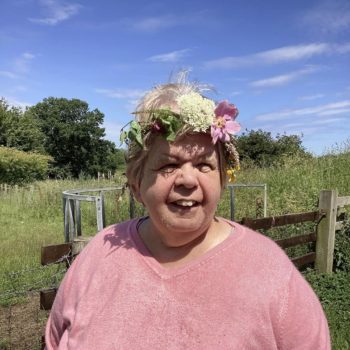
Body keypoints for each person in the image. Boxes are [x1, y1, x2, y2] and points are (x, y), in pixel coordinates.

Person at [45, 77, 331, 349]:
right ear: (136, 185)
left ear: (221, 181)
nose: (188, 180)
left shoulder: (270, 271)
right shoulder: (100, 253)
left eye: (204, 165)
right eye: (168, 165)